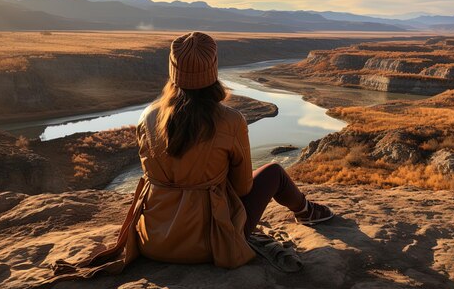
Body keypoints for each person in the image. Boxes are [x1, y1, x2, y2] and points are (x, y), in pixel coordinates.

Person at [133, 31, 334, 268]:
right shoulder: (230, 120)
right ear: (213, 68)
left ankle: (306, 211)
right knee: (273, 173)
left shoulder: (148, 116)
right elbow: (242, 188)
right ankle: (306, 211)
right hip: (211, 243)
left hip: (152, 240)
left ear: (173, 70)